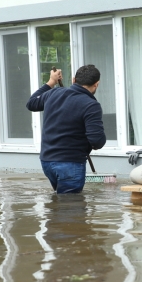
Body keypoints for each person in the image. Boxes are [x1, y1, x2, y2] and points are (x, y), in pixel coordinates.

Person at [26, 65, 106, 194]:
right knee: (70, 208)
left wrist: (51, 82)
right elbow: (97, 141)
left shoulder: (53, 93)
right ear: (96, 84)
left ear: (74, 80)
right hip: (70, 163)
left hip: (47, 161)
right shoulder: (91, 105)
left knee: (60, 206)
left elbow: (31, 103)